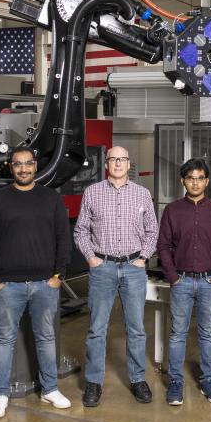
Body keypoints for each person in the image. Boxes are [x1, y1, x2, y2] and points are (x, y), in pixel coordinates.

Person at [0, 146, 72, 419]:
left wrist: (58, 276)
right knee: (3, 339)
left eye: (28, 164)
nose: (23, 169)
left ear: (35, 165)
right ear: (11, 167)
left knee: (46, 338)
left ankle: (50, 389)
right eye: (18, 164)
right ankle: (0, 394)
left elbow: (63, 240)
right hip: (8, 286)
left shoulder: (51, 199)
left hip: (46, 284)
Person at [74, 146, 158, 407]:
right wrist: (91, 259)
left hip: (134, 267)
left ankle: (137, 379)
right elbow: (80, 231)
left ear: (129, 163)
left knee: (136, 328)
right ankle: (94, 383)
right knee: (97, 329)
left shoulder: (142, 194)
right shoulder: (92, 193)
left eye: (123, 159)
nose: (118, 163)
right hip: (103, 268)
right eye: (114, 159)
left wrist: (143, 257)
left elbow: (152, 231)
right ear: (107, 164)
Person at [157, 158, 211, 406]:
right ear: (183, 181)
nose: (195, 182)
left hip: (208, 281)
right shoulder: (172, 211)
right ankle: (176, 383)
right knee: (178, 334)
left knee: (208, 334)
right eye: (190, 178)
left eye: (200, 178)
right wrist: (172, 277)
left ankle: (209, 381)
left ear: (207, 181)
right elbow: (163, 246)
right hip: (181, 281)